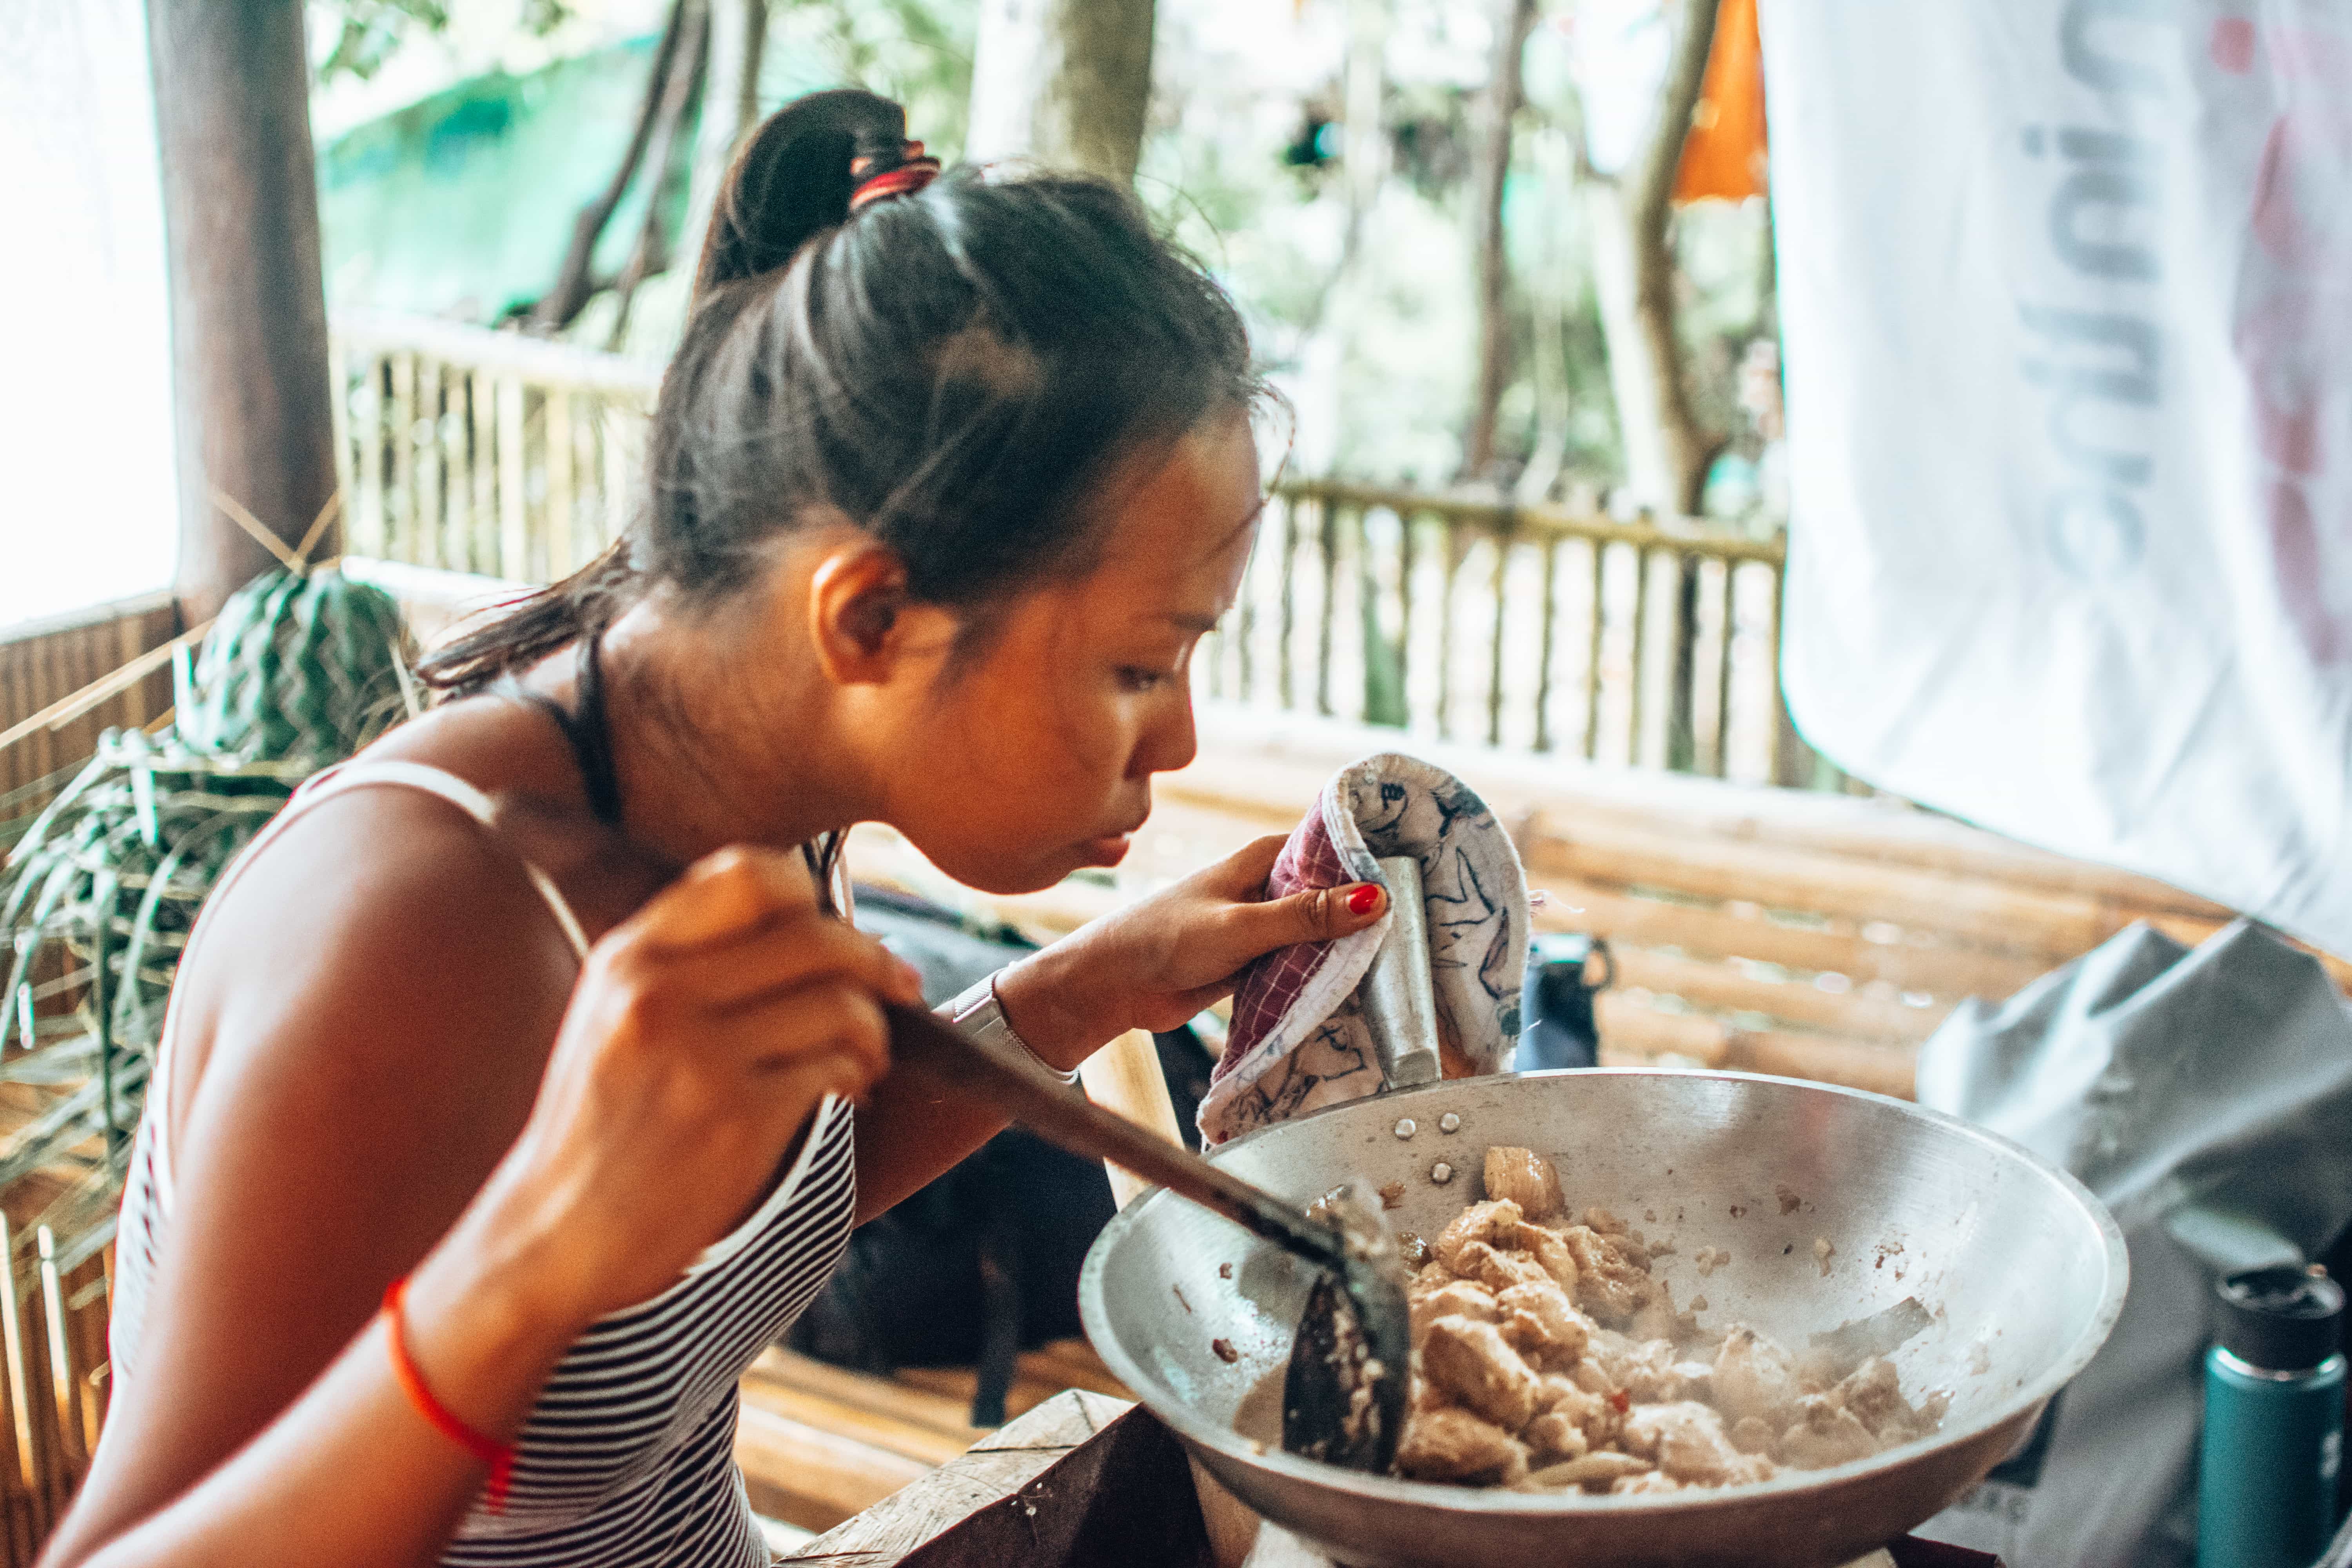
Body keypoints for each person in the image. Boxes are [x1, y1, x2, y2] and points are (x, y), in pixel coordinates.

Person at [41, 89, 1387, 1568]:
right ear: (870, 619)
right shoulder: (412, 938)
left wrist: (1088, 989)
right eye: (1140, 667)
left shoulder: (760, 810)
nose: (1178, 740)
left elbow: (746, 1226)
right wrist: (540, 1253)